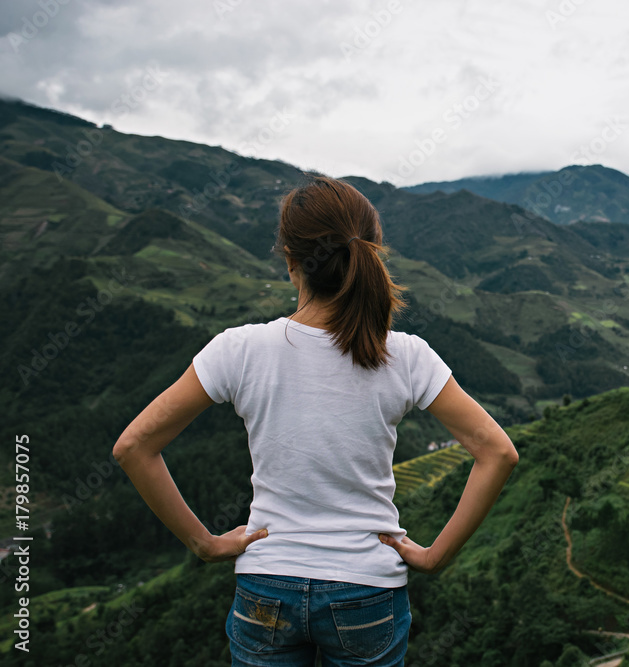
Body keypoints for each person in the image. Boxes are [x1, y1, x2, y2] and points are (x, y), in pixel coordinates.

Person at [113, 176, 519, 666]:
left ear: (290, 261)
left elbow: (133, 446)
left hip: (267, 586)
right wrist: (436, 556)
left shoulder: (239, 350)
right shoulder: (406, 356)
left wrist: (203, 543)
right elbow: (497, 452)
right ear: (370, 252)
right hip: (367, 591)